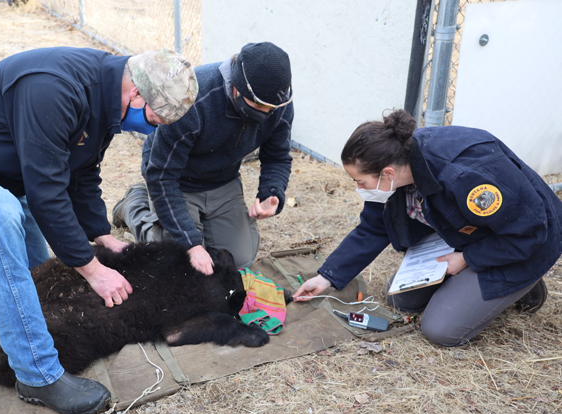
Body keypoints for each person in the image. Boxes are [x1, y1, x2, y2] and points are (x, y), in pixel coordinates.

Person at [0, 46, 198, 414]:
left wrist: (102, 236)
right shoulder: (55, 87)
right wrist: (93, 270)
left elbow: (82, 173)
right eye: (156, 120)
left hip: (1, 168)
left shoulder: (107, 96)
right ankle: (36, 373)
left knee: (33, 272)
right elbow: (47, 193)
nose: (153, 130)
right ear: (137, 94)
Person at [294, 109, 561, 347]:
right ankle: (481, 282)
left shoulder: (463, 175)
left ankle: (524, 282)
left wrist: (467, 259)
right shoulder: (401, 160)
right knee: (400, 299)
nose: (358, 188)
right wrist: (327, 277)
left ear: (387, 173)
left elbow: (529, 232)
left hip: (530, 238)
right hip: (475, 233)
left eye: (361, 182)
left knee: (440, 329)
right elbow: (373, 229)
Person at [112, 42, 294, 274]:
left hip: (222, 179)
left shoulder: (278, 102)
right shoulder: (192, 97)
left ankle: (198, 224)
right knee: (180, 262)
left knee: (238, 261)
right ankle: (134, 205)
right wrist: (191, 244)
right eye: (258, 104)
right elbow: (162, 176)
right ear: (237, 87)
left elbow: (278, 156)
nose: (267, 112)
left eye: (272, 107)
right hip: (175, 180)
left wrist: (272, 192)